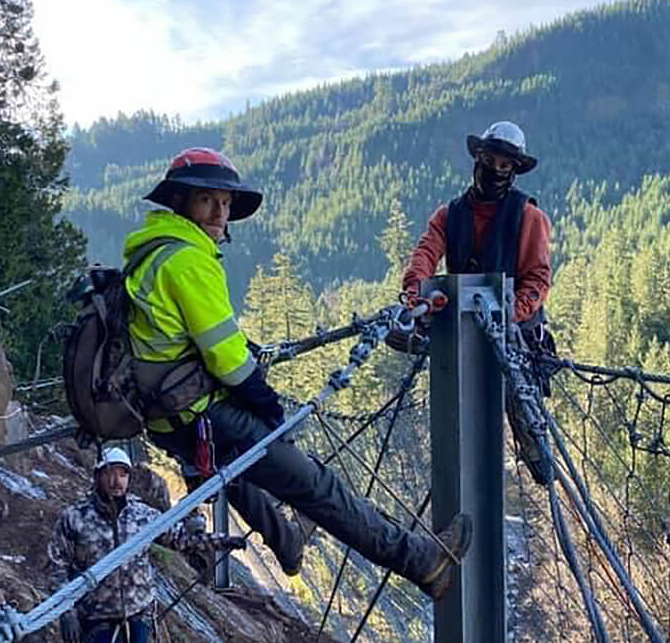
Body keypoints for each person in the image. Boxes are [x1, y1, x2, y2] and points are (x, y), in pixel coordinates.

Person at [121, 147, 471, 598]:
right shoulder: (189, 261)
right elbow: (228, 360)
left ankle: (286, 543)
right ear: (181, 202)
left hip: (166, 416)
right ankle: (422, 562)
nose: (220, 213)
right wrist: (268, 407)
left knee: (237, 472)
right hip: (202, 412)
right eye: (208, 200)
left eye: (225, 203)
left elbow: (182, 334)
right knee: (315, 486)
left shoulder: (152, 250)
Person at [47, 446, 214, 643]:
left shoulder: (142, 515)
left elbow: (178, 541)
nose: (117, 480)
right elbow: (57, 563)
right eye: (110, 472)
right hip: (96, 617)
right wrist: (65, 610)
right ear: (98, 475)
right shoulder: (75, 517)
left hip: (137, 613)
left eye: (123, 473)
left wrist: (216, 539)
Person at [401, 121, 552, 332]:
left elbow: (538, 277)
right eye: (489, 160)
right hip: (459, 332)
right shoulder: (448, 215)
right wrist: (415, 291)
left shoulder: (530, 218)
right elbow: (425, 255)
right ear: (477, 159)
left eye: (504, 165)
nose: (494, 170)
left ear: (513, 171)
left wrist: (511, 313)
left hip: (518, 337)